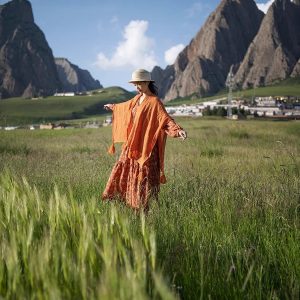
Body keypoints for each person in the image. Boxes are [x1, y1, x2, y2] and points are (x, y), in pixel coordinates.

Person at [102, 69, 187, 211]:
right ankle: (126, 203)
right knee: (125, 170)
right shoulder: (136, 99)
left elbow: (165, 120)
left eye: (139, 83)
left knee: (143, 178)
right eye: (135, 84)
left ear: (147, 82)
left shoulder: (155, 102)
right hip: (132, 145)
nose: (136, 87)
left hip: (147, 147)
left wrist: (178, 130)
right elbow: (124, 108)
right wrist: (113, 107)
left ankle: (142, 208)